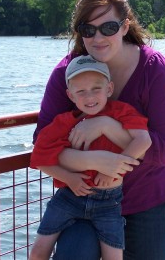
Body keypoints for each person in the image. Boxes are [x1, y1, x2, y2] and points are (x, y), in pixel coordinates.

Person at [32, 0, 165, 260]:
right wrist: (96, 161)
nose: (98, 38)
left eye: (109, 27)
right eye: (88, 29)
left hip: (149, 200)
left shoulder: (153, 68)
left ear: (125, 26)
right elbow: (42, 144)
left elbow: (162, 151)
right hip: (84, 200)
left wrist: (105, 126)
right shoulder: (67, 74)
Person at [29, 55, 152, 260]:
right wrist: (68, 178)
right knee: (38, 251)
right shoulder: (64, 122)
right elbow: (39, 158)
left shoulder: (122, 113)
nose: (89, 97)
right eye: (81, 92)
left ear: (109, 89)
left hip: (109, 202)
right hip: (70, 196)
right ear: (70, 95)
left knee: (114, 257)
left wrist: (113, 169)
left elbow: (144, 141)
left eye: (96, 89)